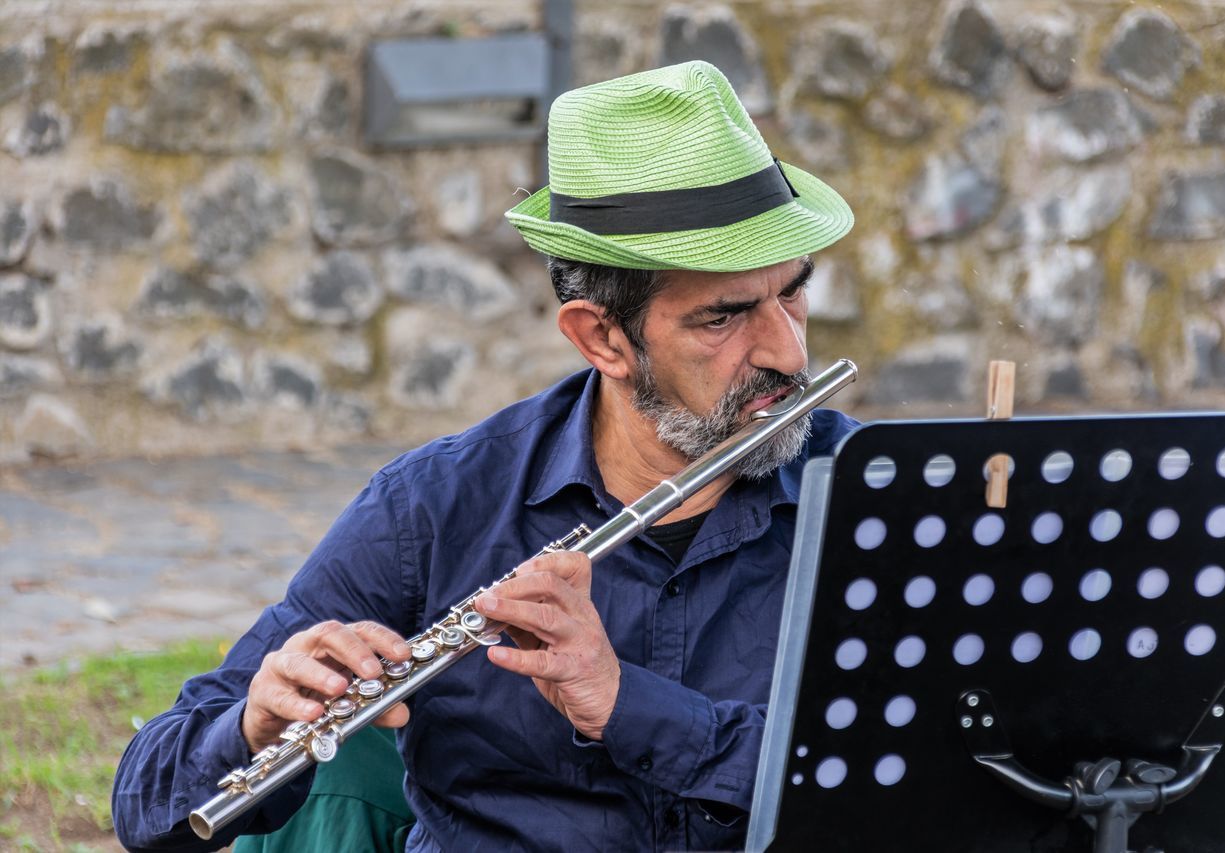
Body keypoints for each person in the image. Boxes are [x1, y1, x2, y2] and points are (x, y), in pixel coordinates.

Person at [112, 60, 856, 852]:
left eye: (792, 292)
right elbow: (146, 803)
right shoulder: (438, 506)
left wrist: (624, 702)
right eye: (724, 317)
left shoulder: (874, 495)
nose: (786, 347)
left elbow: (919, 786)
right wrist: (253, 725)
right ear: (601, 337)